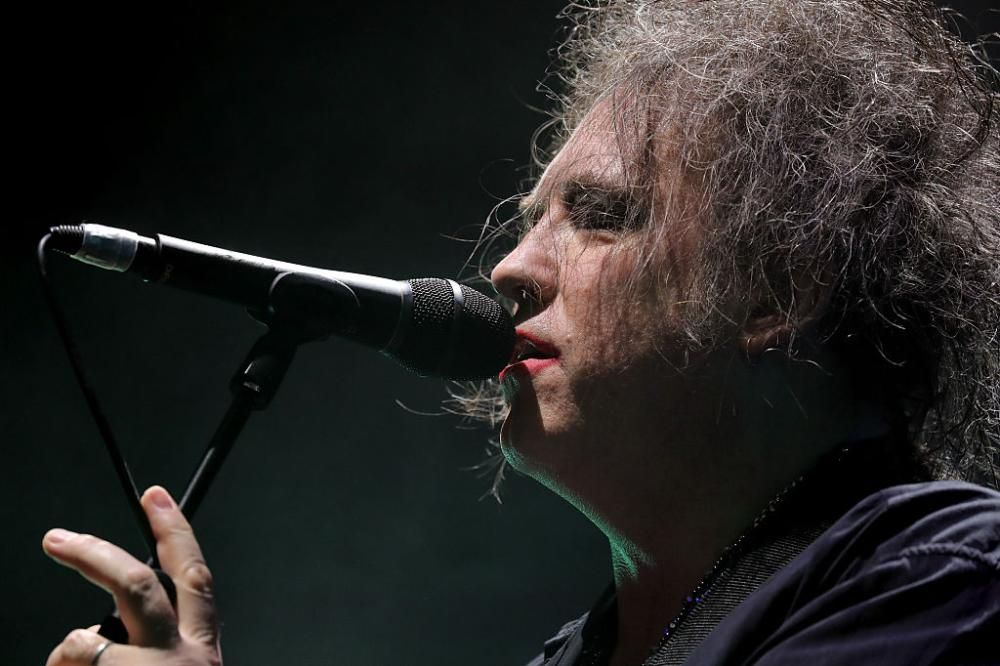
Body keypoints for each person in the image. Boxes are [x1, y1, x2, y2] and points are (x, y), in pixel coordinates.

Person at [43, 1, 999, 664]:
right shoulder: (578, 652)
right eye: (531, 218)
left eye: (600, 215)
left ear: (776, 291)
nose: (507, 268)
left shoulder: (945, 584)